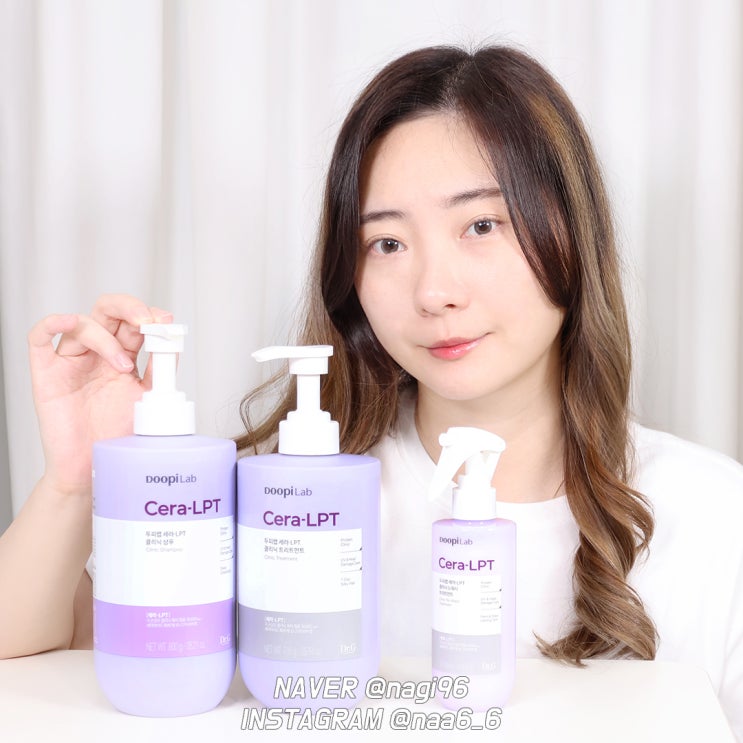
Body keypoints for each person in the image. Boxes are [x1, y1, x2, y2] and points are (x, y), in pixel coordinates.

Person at [1, 44, 741, 736]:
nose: (433, 291)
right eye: (386, 242)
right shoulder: (284, 504)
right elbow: (42, 666)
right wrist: (75, 481)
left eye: (481, 225)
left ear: (573, 235)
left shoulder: (714, 516)